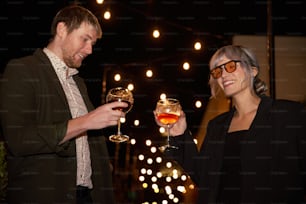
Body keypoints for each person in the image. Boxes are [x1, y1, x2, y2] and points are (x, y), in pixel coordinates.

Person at [0, 5, 127, 204]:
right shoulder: (22, 69)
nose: (89, 50)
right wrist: (86, 121)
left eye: (92, 43)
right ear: (61, 29)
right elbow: (19, 139)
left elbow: (89, 142)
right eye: (84, 39)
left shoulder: (79, 83)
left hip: (86, 196)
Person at [154, 45, 306, 203]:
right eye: (217, 71)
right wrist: (180, 134)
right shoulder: (216, 126)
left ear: (253, 70)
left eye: (231, 66)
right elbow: (204, 177)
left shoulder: (288, 115)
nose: (223, 75)